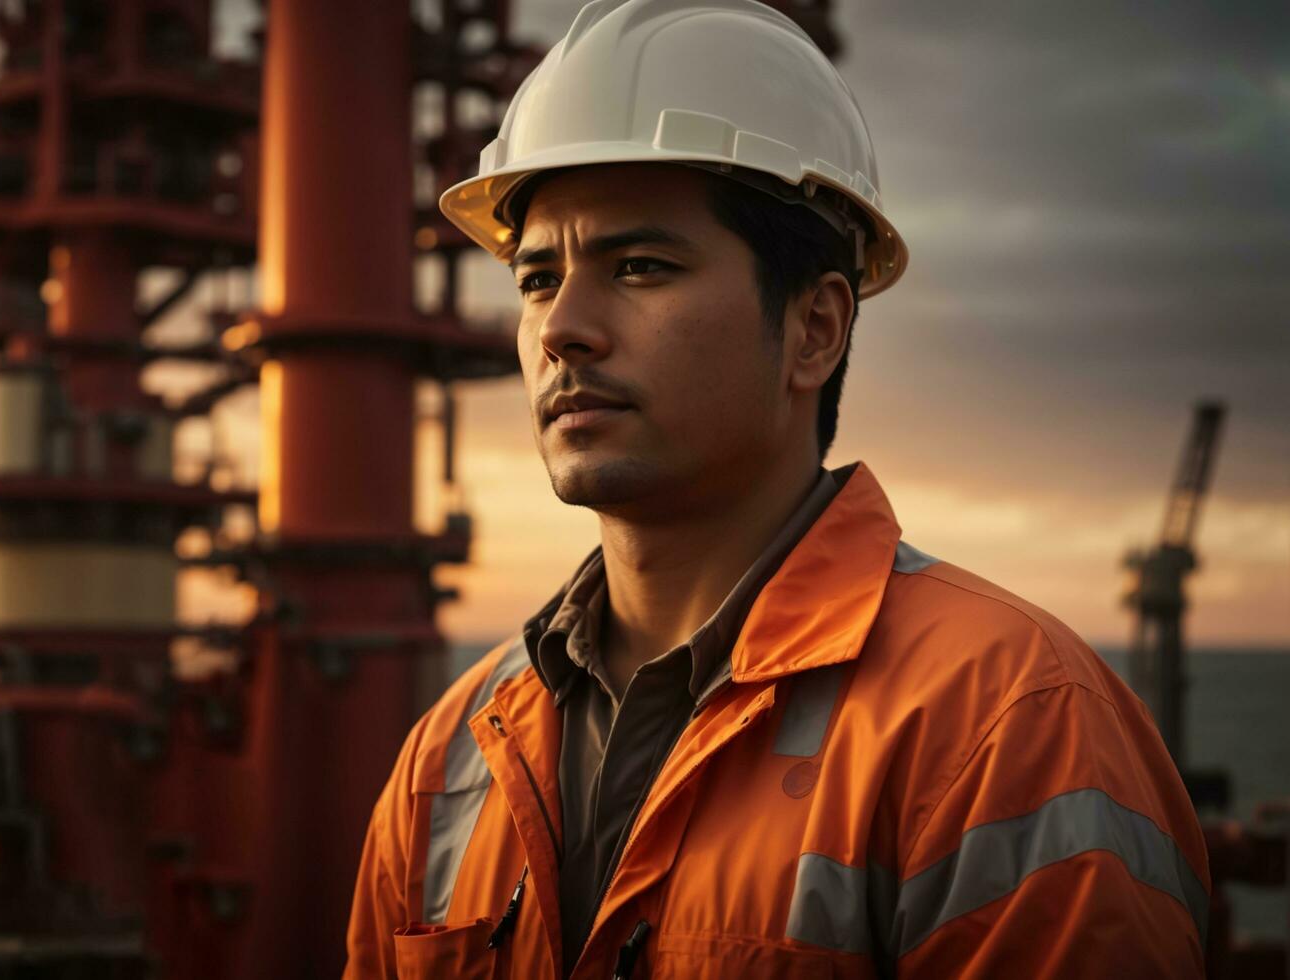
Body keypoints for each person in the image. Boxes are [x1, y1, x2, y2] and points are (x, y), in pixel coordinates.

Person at [344, 0, 1209, 977]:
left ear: (813, 329)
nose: (561, 328)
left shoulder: (1008, 721)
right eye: (536, 279)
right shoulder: (447, 759)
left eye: (638, 265)